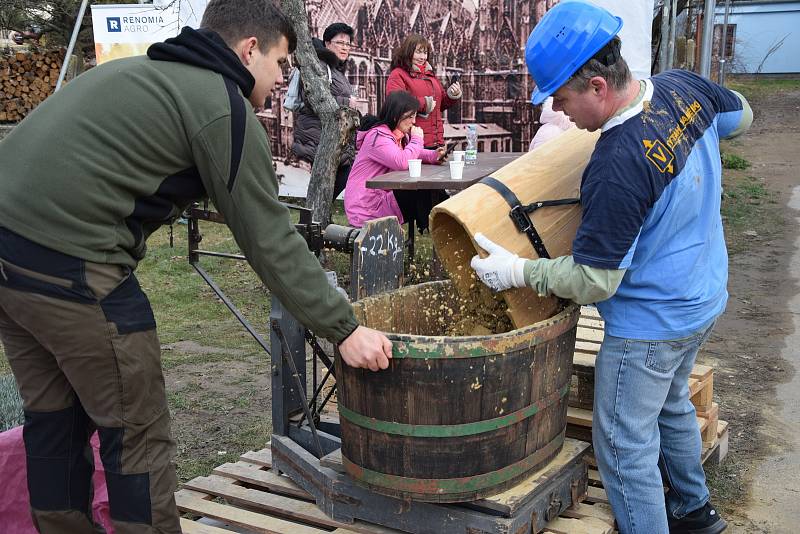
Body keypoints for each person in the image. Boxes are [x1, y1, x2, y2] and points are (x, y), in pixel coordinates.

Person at [0, 1, 392, 533]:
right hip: (75, 266)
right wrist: (344, 327)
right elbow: (269, 238)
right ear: (249, 50)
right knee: (135, 430)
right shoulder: (220, 106)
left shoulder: (141, 72)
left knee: (55, 421)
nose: (281, 81)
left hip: (9, 265)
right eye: (281, 64)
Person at [470, 2, 752, 534]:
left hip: (650, 325)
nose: (557, 108)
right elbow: (741, 116)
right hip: (704, 294)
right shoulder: (681, 87)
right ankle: (694, 510)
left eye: (561, 96)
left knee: (625, 440)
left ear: (597, 86)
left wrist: (519, 272)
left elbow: (596, 281)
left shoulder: (618, 166)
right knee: (671, 402)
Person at [344, 90, 445, 229]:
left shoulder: (395, 135)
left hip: (380, 197)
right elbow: (401, 161)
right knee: (425, 193)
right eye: (410, 117)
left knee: (430, 192)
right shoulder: (378, 137)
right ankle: (443, 227)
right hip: (366, 206)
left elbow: (407, 152)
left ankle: (442, 225)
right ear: (395, 115)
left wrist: (433, 156)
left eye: (414, 116)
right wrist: (417, 139)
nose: (414, 122)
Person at [291, 22, 358, 200]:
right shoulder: (320, 65)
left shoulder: (334, 69)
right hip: (318, 140)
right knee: (322, 194)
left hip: (330, 140)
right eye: (340, 42)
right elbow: (312, 98)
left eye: (348, 43)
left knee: (326, 193)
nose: (345, 47)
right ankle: (311, 223)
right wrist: (347, 102)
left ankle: (315, 223)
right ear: (327, 43)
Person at [386, 34, 461, 149]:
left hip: (437, 142)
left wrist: (451, 95)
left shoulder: (430, 75)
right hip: (413, 142)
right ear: (408, 52)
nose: (423, 57)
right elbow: (395, 103)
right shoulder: (398, 74)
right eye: (418, 52)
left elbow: (439, 105)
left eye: (425, 53)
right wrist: (424, 104)